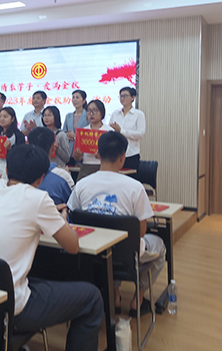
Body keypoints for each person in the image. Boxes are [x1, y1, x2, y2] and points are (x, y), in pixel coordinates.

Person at [0, 145, 104, 351]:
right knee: (92, 297)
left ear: (7, 170)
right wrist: (62, 218)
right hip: (8, 307)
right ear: (41, 178)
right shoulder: (38, 199)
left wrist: (48, 213)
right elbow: (72, 246)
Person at [68, 131, 166, 315]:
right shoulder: (135, 187)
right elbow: (141, 232)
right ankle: (138, 299)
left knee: (111, 247)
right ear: (123, 158)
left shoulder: (81, 184)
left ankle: (114, 295)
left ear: (97, 154)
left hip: (93, 251)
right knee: (160, 246)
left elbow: (73, 216)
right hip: (126, 253)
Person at [28, 127, 74, 205]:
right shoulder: (63, 176)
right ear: (53, 147)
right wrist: (66, 176)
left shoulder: (18, 175)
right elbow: (72, 205)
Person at [73, 99, 112, 181]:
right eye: (89, 110)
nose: (91, 113)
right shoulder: (83, 131)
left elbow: (113, 154)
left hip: (103, 167)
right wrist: (77, 155)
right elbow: (78, 157)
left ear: (102, 113)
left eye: (95, 110)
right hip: (86, 166)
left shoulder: (109, 131)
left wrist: (101, 156)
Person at [109, 86, 145, 171]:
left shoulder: (138, 114)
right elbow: (109, 130)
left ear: (133, 97)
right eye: (121, 96)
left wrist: (121, 131)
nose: (122, 98)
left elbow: (140, 134)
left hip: (131, 154)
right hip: (116, 154)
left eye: (125, 96)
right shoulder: (115, 114)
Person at [0, 107, 25, 179]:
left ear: (13, 119)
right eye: (0, 116)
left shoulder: (18, 135)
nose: (2, 119)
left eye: (5, 117)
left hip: (9, 169)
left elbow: (21, 155)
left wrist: (10, 149)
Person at [63, 89, 90, 163]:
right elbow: (64, 131)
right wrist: (67, 135)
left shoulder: (88, 116)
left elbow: (90, 134)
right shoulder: (68, 116)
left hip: (82, 151)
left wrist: (75, 136)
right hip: (69, 151)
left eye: (77, 97)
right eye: (73, 97)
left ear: (84, 101)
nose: (74, 100)